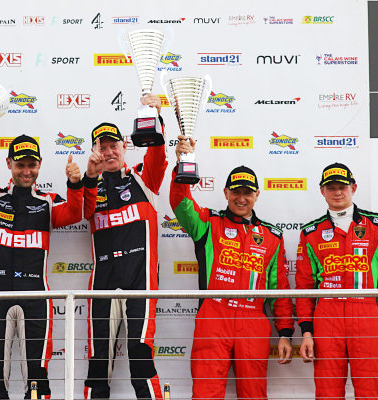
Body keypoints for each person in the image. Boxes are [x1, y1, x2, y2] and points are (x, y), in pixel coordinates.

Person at [0, 134, 84, 399]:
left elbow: (74, 213)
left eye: (31, 165)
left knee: (37, 376)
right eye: (20, 164)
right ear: (9, 163)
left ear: (40, 165)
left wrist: (75, 184)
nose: (26, 171)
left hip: (37, 298)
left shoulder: (47, 201)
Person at [170, 136, 294, 400]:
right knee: (205, 394)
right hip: (214, 316)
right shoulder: (207, 222)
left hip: (254, 320)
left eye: (247, 193)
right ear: (225, 193)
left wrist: (285, 332)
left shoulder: (272, 236)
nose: (241, 198)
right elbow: (179, 203)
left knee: (254, 395)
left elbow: (279, 289)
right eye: (235, 192)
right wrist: (183, 162)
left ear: (257, 195)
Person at [82, 94, 166, 400]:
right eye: (101, 147)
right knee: (97, 364)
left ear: (124, 146)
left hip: (139, 283)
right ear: (93, 152)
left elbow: (158, 154)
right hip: (102, 284)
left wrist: (156, 116)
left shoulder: (144, 178)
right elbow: (83, 211)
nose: (108, 151)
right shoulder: (90, 186)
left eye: (112, 145)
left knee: (140, 358)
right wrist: (88, 179)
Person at [296, 162, 378, 400]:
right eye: (330, 187)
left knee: (371, 390)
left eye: (342, 186)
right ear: (322, 191)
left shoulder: (375, 225)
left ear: (353, 187)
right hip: (327, 318)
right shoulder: (310, 232)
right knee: (327, 392)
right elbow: (304, 287)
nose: (337, 192)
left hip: (368, 315)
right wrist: (307, 331)